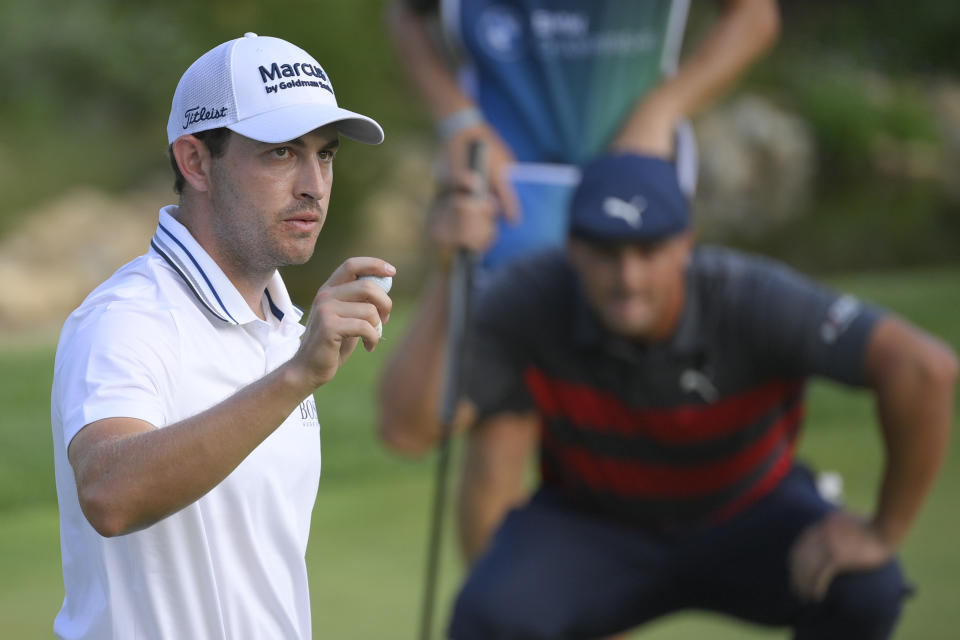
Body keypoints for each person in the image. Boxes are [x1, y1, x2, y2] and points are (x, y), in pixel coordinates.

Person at [378, 152, 958, 639]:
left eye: (648, 250)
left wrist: (883, 530)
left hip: (748, 513)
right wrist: (448, 270)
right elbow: (409, 429)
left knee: (865, 589)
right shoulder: (533, 294)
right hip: (594, 527)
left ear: (686, 244)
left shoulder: (750, 296)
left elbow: (924, 369)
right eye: (606, 251)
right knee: (490, 616)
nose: (627, 276)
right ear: (574, 247)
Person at [386, 0, 781, 562]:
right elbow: (406, 14)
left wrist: (663, 108)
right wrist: (458, 120)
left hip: (635, 181)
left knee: (617, 437)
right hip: (509, 189)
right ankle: (506, 618)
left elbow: (754, 16)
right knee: (498, 433)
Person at [50, 33, 393, 639]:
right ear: (195, 162)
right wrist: (295, 378)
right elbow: (108, 492)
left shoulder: (284, 324)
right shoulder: (127, 315)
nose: (314, 183)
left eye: (327, 154)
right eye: (283, 153)